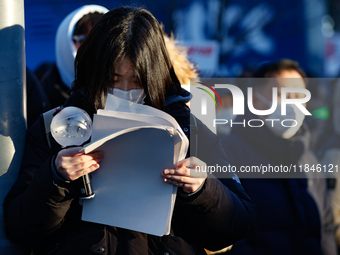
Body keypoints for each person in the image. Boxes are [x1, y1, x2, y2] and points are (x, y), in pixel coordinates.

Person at [4, 7, 255, 255]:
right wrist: (56, 178)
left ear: (155, 75)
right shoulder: (56, 128)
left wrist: (202, 189)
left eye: (137, 80)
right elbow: (21, 230)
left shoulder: (190, 128)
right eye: (113, 80)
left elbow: (236, 226)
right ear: (93, 72)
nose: (125, 89)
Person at [220, 59, 337, 255]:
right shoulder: (228, 154)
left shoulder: (308, 158)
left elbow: (325, 229)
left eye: (300, 97)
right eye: (284, 95)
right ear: (256, 100)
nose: (294, 105)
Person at [36, 5, 108, 108]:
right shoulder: (41, 97)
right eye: (85, 40)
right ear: (66, 43)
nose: (94, 50)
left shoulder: (124, 87)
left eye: (103, 41)